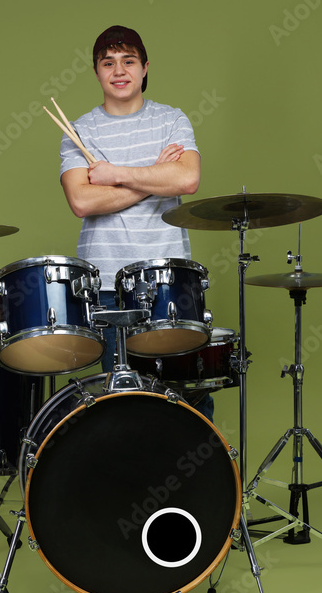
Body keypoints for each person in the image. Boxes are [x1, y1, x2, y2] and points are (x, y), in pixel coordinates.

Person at [58, 25, 213, 419]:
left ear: (145, 68)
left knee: (182, 404)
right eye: (108, 63)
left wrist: (116, 174)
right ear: (97, 73)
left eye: (128, 61)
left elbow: (187, 179)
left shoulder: (172, 120)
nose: (119, 70)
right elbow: (81, 201)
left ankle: (193, 480)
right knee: (121, 407)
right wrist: (153, 175)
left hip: (167, 280)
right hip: (107, 286)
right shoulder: (80, 130)